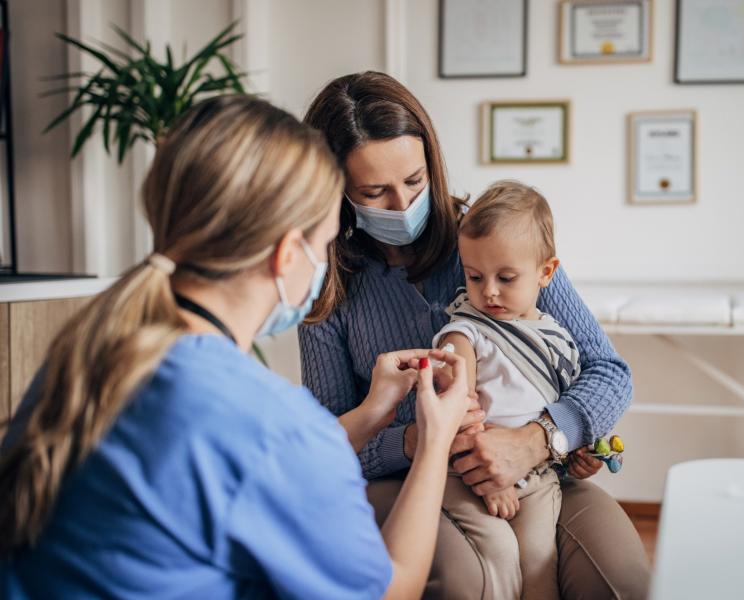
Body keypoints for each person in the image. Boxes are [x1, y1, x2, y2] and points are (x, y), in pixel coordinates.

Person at [0, 95, 471, 599]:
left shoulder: (94, 351)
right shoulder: (268, 422)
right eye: (327, 242)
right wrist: (434, 443)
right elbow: (390, 591)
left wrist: (374, 410)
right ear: (289, 254)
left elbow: (248, 464)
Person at [299, 70, 651, 598]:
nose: (401, 205)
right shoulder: (328, 288)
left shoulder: (493, 243)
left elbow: (609, 373)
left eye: (414, 181)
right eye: (375, 192)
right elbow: (329, 442)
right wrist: (420, 440)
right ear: (336, 192)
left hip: (536, 473)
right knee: (474, 579)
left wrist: (537, 441)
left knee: (623, 580)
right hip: (407, 483)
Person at [434, 180, 585, 599]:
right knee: (496, 558)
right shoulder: (463, 333)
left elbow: (570, 398)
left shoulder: (557, 335)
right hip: (466, 473)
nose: (489, 291)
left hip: (536, 475)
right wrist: (489, 480)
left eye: (506, 277)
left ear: (546, 272)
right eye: (475, 276)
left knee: (539, 560)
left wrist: (581, 450)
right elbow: (453, 411)